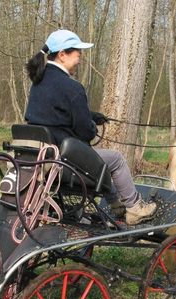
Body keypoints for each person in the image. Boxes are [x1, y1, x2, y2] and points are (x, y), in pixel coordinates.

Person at [24, 29, 157, 225]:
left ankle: (116, 205)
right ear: (62, 55)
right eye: (78, 55)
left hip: (42, 157)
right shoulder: (72, 87)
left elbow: (56, 114)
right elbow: (85, 131)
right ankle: (135, 208)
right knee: (116, 160)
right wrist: (92, 125)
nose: (79, 60)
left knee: (101, 160)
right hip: (64, 163)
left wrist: (93, 116)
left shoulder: (39, 82)